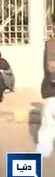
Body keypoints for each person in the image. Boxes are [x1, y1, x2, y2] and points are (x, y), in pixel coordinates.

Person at [36, 29, 55, 157]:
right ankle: (44, 148)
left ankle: (44, 148)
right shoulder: (51, 43)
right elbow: (52, 66)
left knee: (49, 119)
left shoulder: (51, 43)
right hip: (52, 88)